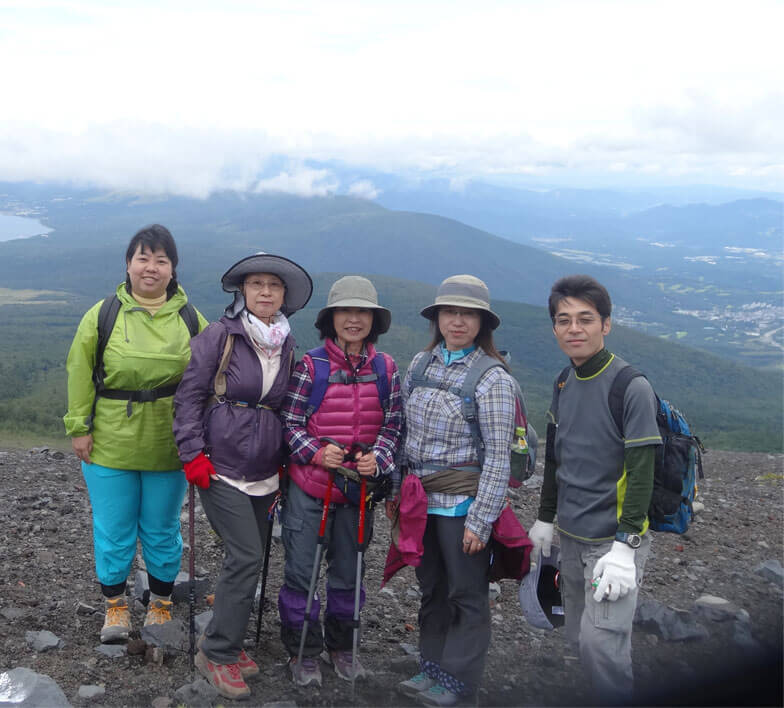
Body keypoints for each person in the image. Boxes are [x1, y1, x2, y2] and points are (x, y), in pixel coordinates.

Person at [174, 253, 313, 701]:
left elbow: (288, 407)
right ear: (243, 292)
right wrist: (193, 453)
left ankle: (226, 638)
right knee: (248, 556)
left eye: (274, 285)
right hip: (221, 466)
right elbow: (189, 397)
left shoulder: (287, 343)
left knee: (248, 560)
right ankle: (216, 652)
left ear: (284, 296)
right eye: (257, 284)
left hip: (265, 470)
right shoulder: (220, 336)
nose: (266, 292)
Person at [64, 224, 207, 643]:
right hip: (109, 442)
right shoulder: (103, 314)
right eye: (143, 258)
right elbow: (79, 372)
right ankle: (115, 607)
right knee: (114, 527)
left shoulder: (191, 319)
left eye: (161, 260)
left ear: (173, 269)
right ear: (128, 264)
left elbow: (211, 378)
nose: (151, 267)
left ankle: (160, 604)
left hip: (169, 443)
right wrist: (79, 428)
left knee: (161, 528)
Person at [393, 274, 527, 707]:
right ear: (437, 318)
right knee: (431, 586)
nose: (457, 321)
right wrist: (397, 492)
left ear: (482, 323)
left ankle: (458, 682)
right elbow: (402, 434)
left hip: (463, 503)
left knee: (465, 594)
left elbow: (497, 457)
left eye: (467, 314)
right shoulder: (420, 365)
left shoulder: (493, 380)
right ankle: (431, 669)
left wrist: (481, 520)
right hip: (419, 501)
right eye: (450, 312)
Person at [527, 274, 659, 705]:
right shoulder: (564, 381)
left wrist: (627, 544)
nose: (574, 329)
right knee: (578, 643)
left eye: (586, 319)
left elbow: (642, 469)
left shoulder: (630, 386)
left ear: (606, 324)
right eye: (564, 320)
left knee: (603, 648)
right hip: (571, 537)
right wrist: (546, 517)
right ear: (554, 329)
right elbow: (556, 458)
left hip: (612, 544)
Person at [278, 275, 403, 687]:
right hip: (311, 489)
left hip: (358, 492)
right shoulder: (311, 366)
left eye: (362, 312)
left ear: (373, 320)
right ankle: (304, 652)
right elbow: (290, 423)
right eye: (345, 312)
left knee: (349, 575)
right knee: (302, 573)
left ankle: (341, 648)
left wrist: (379, 459)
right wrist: (316, 452)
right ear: (331, 319)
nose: (353, 319)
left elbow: (393, 426)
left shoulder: (386, 370)